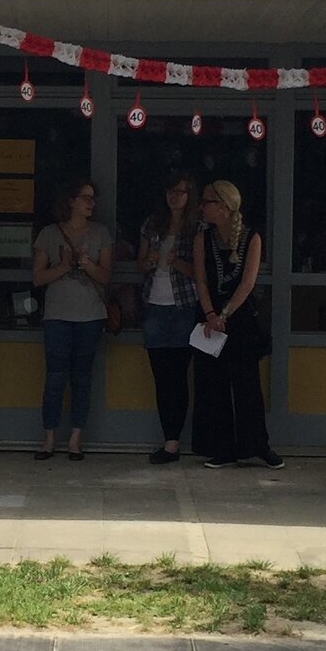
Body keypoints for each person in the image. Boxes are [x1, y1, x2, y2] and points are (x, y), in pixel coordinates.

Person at [193, 180, 281, 470]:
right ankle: (221, 447)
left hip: (239, 317)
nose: (202, 208)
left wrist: (226, 314)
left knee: (247, 383)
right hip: (209, 316)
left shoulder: (251, 237)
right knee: (212, 383)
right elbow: (201, 280)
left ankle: (257, 445)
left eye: (207, 202)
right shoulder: (202, 238)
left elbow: (247, 282)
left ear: (223, 206)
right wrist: (210, 314)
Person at [31, 177, 112, 460]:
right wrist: (64, 266)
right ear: (70, 201)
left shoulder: (101, 233)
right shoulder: (50, 234)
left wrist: (87, 263)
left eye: (93, 198)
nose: (91, 203)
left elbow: (106, 276)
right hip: (57, 315)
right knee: (54, 378)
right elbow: (38, 277)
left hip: (90, 315)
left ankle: (76, 438)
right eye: (85, 197)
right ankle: (49, 437)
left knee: (82, 378)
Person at [139, 173, 201, 465]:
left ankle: (174, 441)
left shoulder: (197, 228)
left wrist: (177, 261)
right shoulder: (152, 224)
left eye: (181, 191)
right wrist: (149, 261)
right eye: (170, 190)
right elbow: (140, 264)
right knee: (160, 378)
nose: (175, 196)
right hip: (154, 304)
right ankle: (168, 441)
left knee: (178, 377)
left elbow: (202, 274)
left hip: (184, 307)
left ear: (190, 196)